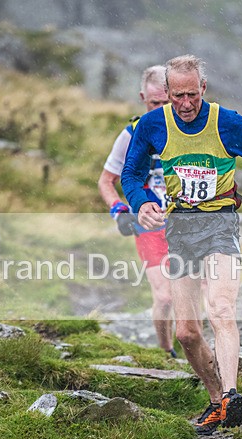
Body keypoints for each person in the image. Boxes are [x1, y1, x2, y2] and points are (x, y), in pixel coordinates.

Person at [121, 54, 242, 435]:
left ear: (203, 89)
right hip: (179, 229)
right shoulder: (151, 125)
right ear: (167, 92)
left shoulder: (225, 122)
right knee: (187, 334)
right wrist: (141, 201)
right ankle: (216, 401)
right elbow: (130, 173)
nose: (185, 104)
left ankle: (231, 397)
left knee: (221, 307)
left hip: (219, 224)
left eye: (192, 95)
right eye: (177, 96)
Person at [98, 65, 177, 358]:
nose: (161, 109)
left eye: (167, 103)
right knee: (166, 296)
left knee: (204, 293)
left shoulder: (189, 130)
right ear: (143, 97)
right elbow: (106, 181)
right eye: (155, 103)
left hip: (186, 223)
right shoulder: (131, 133)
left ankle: (198, 348)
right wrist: (119, 210)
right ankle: (166, 350)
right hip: (149, 224)